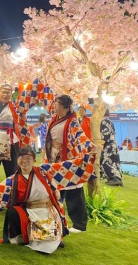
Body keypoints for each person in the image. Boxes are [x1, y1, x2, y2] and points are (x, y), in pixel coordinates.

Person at [0, 146, 96, 254]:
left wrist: (87, 158)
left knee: (45, 245)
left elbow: (67, 168)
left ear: (34, 160)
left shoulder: (45, 171)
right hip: (30, 213)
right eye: (21, 158)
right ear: (17, 160)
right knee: (13, 211)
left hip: (48, 212)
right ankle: (24, 236)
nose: (25, 161)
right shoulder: (13, 180)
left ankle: (53, 237)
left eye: (28, 159)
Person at [43, 94, 94, 233]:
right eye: (55, 105)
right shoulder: (53, 119)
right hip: (54, 158)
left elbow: (79, 135)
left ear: (66, 108)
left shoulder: (72, 121)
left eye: (58, 105)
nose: (55, 108)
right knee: (55, 190)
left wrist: (88, 145)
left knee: (73, 191)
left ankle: (79, 225)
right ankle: (56, 219)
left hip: (69, 160)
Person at [100, 110, 123, 186]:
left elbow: (105, 133)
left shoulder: (104, 121)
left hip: (108, 146)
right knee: (115, 162)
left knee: (105, 161)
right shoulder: (110, 121)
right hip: (113, 145)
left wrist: (102, 143)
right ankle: (117, 178)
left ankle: (113, 178)